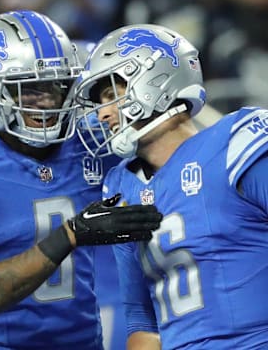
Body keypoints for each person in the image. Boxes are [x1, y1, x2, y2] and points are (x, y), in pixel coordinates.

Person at [0, 10, 162, 349]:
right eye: (28, 90)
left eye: (56, 87)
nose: (45, 102)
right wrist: (72, 234)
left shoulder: (92, 142)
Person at [74, 23, 268, 349]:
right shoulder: (121, 186)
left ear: (154, 80)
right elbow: (141, 318)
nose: (102, 114)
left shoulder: (236, 144)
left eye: (110, 94)